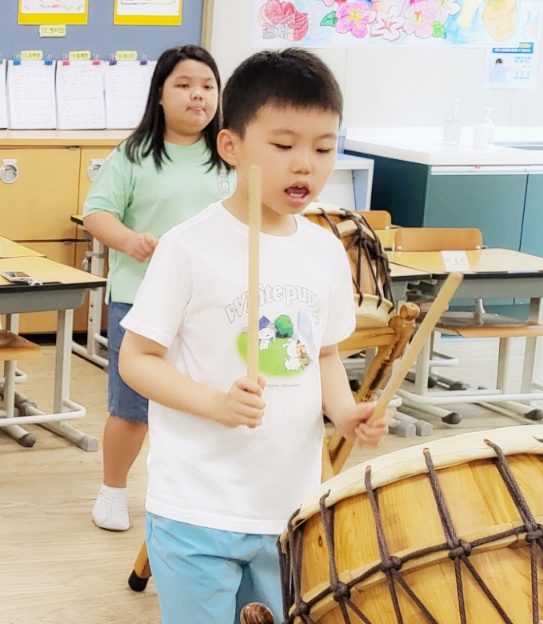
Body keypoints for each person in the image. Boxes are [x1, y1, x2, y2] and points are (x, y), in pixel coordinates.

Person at [118, 48, 390, 622]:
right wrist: (216, 404)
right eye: (284, 145)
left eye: (323, 148)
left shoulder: (324, 252)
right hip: (196, 506)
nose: (305, 165)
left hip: (287, 508)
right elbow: (136, 360)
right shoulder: (188, 246)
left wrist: (345, 414)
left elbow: (323, 354)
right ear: (231, 146)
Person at [84, 45, 233, 532]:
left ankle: (191, 494)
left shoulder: (230, 155)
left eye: (207, 86)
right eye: (184, 85)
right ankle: (112, 491)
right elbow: (97, 213)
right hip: (142, 299)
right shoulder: (133, 155)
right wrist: (129, 240)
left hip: (213, 303)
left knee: (205, 402)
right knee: (132, 408)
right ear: (161, 95)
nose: (197, 95)